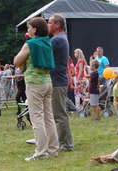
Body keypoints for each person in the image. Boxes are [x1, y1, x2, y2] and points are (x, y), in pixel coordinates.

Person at [13, 17, 59, 161]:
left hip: (34, 84)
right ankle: (52, 149)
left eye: (29, 27)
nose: (27, 30)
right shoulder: (47, 43)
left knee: (37, 118)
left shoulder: (30, 44)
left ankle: (41, 153)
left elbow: (16, 61)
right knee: (48, 117)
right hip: (47, 83)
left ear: (34, 29)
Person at [48, 14, 74, 151]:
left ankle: (66, 144)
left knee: (59, 114)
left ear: (57, 24)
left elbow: (42, 53)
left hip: (57, 82)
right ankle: (61, 141)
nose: (47, 25)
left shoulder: (57, 40)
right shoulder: (60, 38)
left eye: (50, 22)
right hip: (58, 80)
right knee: (57, 113)